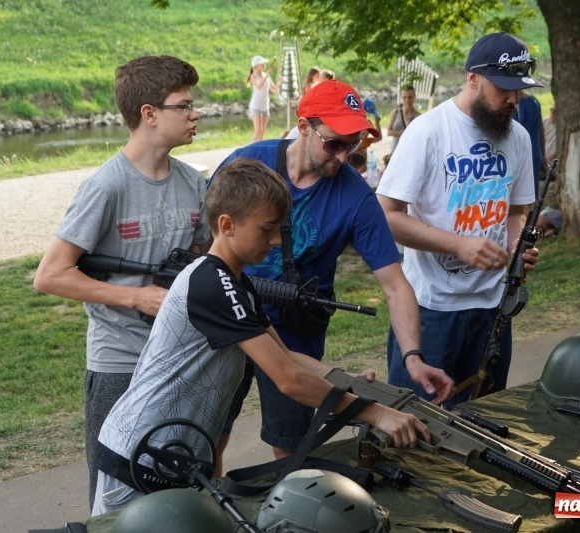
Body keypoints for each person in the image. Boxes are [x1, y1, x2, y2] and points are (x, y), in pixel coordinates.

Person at [91, 157, 431, 515]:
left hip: (173, 455)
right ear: (227, 225)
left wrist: (346, 385)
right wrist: (373, 413)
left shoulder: (238, 284)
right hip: (141, 456)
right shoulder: (211, 284)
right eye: (267, 228)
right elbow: (288, 380)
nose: (274, 240)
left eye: (279, 230)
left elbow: (287, 357)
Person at [216, 80, 455, 463]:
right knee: (212, 433)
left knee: (292, 447)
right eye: (335, 143)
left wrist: (412, 356)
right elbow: (206, 245)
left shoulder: (356, 196)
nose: (344, 157)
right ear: (305, 126)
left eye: (354, 144)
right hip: (229, 319)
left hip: (297, 336)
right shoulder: (247, 165)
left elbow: (394, 284)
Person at [33, 55, 212, 509]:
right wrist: (136, 296)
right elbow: (51, 275)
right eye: (184, 105)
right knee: (113, 500)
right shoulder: (107, 186)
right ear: (149, 114)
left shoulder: (194, 183)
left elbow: (205, 260)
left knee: (174, 488)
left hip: (175, 362)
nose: (196, 114)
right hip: (120, 364)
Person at [376, 32, 541, 406]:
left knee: (483, 413)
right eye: (504, 89)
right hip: (432, 310)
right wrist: (458, 244)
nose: (514, 100)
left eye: (520, 90)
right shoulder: (428, 132)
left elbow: (518, 211)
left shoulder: (517, 136)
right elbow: (385, 215)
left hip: (494, 307)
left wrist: (516, 249)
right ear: (473, 79)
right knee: (416, 420)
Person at [513, 90, 545, 196]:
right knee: (532, 191)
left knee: (519, 194)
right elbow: (541, 130)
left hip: (520, 155)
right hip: (535, 152)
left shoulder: (514, 105)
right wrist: (543, 155)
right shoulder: (534, 101)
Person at [246, 55, 280, 142]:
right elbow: (259, 86)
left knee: (262, 132)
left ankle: (259, 151)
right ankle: (249, 151)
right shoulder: (253, 76)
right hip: (256, 106)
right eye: (261, 63)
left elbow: (274, 90)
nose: (264, 64)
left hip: (265, 106)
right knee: (258, 131)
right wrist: (267, 75)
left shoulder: (267, 76)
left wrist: (279, 82)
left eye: (264, 63)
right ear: (256, 66)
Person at [386, 85, 421, 154]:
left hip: (410, 151)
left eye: (410, 97)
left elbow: (414, 135)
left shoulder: (418, 116)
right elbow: (389, 132)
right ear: (401, 98)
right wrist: (404, 133)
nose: (407, 100)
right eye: (404, 97)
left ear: (414, 98)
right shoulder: (395, 112)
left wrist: (405, 116)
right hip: (395, 150)